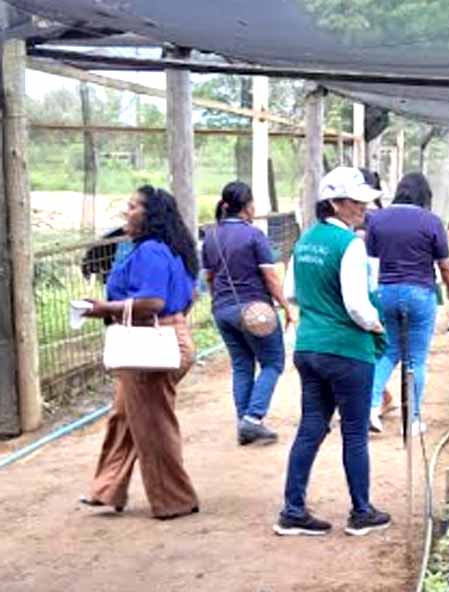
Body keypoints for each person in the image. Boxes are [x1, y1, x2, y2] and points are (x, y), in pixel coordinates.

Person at [273, 167, 391, 538]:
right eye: (355, 202)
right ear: (334, 204)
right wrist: (379, 325)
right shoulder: (351, 245)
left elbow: (291, 292)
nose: (362, 208)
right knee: (355, 433)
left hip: (309, 347)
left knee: (311, 427)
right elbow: (357, 306)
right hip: (346, 350)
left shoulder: (305, 240)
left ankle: (293, 510)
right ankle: (361, 511)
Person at [80, 186, 200, 520]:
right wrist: (175, 324)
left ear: (151, 215)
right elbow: (190, 296)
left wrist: (104, 308)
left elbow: (152, 302)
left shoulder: (150, 252)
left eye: (132, 206)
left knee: (152, 424)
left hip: (150, 343)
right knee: (124, 418)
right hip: (166, 337)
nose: (125, 212)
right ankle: (107, 489)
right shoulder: (175, 249)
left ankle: (174, 499)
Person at [366, 173, 449, 435]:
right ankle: (413, 420)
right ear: (425, 196)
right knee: (416, 359)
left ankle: (372, 409)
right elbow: (445, 266)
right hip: (420, 293)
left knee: (389, 352)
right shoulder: (431, 221)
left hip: (386, 291)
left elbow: (371, 262)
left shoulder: (377, 219)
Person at [202, 181, 293, 446]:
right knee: (273, 362)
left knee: (242, 365)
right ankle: (253, 419)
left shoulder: (211, 236)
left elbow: (209, 277)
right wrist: (286, 307)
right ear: (246, 207)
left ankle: (244, 423)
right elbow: (270, 277)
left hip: (222, 309)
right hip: (254, 310)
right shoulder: (254, 235)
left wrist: (219, 299)